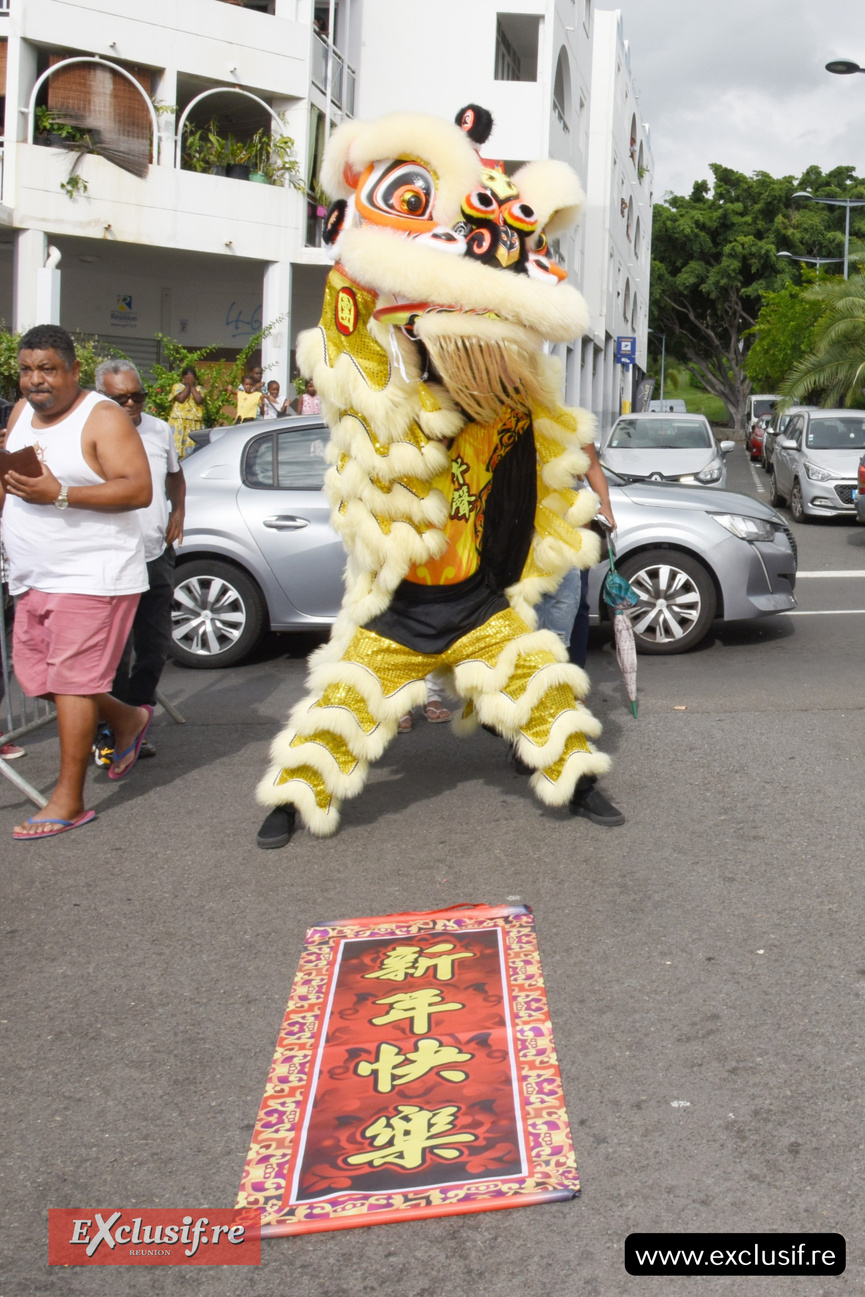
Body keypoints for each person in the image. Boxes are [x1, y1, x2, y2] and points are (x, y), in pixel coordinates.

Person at [0, 325, 153, 840]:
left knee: (70, 683)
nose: (35, 380)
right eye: (26, 369)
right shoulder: (22, 413)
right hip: (31, 574)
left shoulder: (102, 417)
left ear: (70, 371)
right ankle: (127, 719)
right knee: (37, 681)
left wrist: (60, 494)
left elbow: (138, 489)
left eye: (46, 369)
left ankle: (68, 799)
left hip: (93, 575)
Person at [92, 360, 186, 765]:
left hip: (154, 554)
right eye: (120, 397)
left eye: (137, 395)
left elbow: (175, 475)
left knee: (154, 647)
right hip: (110, 558)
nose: (131, 403)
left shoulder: (159, 429)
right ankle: (108, 731)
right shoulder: (89, 432)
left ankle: (137, 719)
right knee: (115, 652)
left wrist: (178, 511)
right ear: (101, 397)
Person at [533, 440, 623, 825]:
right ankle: (521, 739)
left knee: (555, 656)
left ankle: (578, 781)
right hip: (505, 561)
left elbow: (592, 469)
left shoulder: (564, 421)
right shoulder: (489, 424)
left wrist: (601, 507)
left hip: (559, 550)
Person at [168, 366, 204, 459]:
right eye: (187, 378)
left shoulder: (200, 389)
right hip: (179, 422)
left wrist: (192, 386)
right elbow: (180, 398)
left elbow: (199, 399)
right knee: (177, 448)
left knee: (192, 451)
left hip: (193, 422)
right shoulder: (177, 387)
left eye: (191, 378)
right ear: (183, 378)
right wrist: (187, 386)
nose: (189, 380)